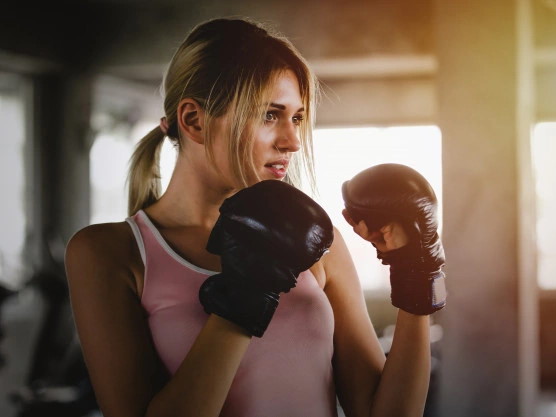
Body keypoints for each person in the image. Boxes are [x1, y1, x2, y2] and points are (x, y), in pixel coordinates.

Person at [64, 18, 445, 417]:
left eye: (297, 117)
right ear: (194, 120)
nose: (293, 141)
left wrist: (416, 272)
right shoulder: (110, 252)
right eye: (269, 115)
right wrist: (247, 294)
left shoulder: (318, 242)